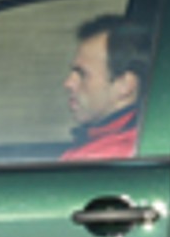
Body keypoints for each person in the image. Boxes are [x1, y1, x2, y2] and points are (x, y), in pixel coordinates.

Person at [61, 14, 151, 161]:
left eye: (82, 74)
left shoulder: (109, 156)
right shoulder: (102, 142)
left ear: (125, 85)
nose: (68, 83)